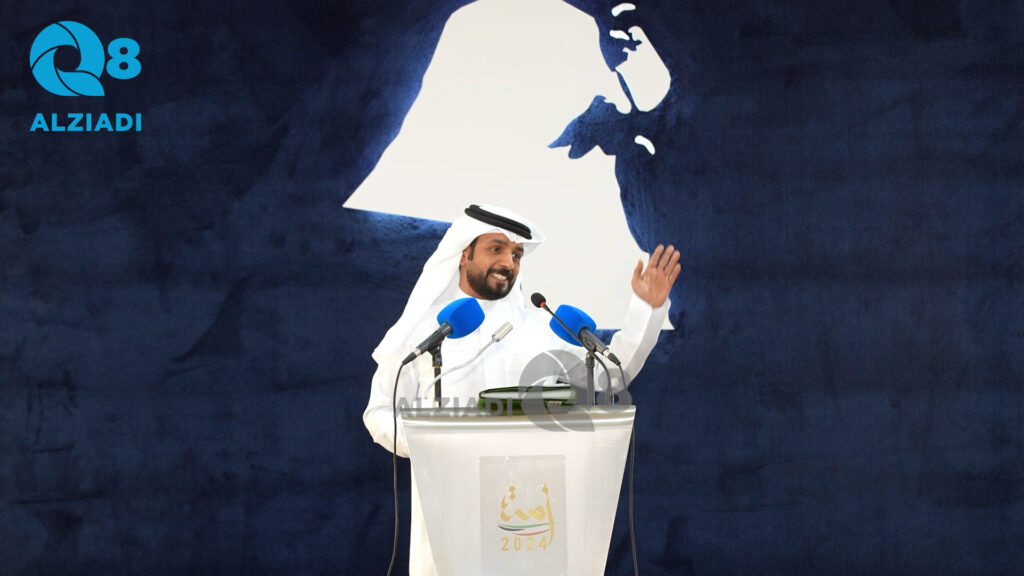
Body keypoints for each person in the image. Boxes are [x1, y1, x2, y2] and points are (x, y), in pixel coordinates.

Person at [362, 203, 679, 575]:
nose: (508, 262)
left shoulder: (539, 328)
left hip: (530, 518)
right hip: (452, 508)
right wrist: (429, 442)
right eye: (496, 249)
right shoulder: (425, 332)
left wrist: (647, 310)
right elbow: (378, 414)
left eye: (516, 254)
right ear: (464, 254)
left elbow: (612, 374)